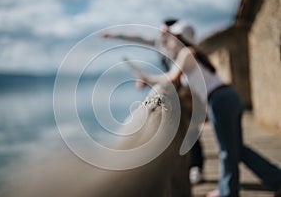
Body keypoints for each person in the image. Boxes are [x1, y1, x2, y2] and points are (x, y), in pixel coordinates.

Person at [134, 22, 281, 197]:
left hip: (220, 101)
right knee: (236, 148)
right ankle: (276, 179)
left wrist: (147, 78)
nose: (168, 41)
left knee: (228, 150)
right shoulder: (194, 53)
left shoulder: (185, 53)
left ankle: (228, 192)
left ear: (179, 38)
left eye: (172, 37)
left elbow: (172, 79)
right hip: (228, 97)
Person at [102, 19, 205, 184]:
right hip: (175, 87)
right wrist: (114, 35)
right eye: (162, 32)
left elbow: (174, 76)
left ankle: (196, 166)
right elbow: (138, 38)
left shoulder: (182, 49)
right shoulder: (161, 43)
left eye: (166, 31)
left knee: (190, 129)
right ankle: (190, 165)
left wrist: (150, 80)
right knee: (184, 128)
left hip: (185, 90)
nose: (162, 34)